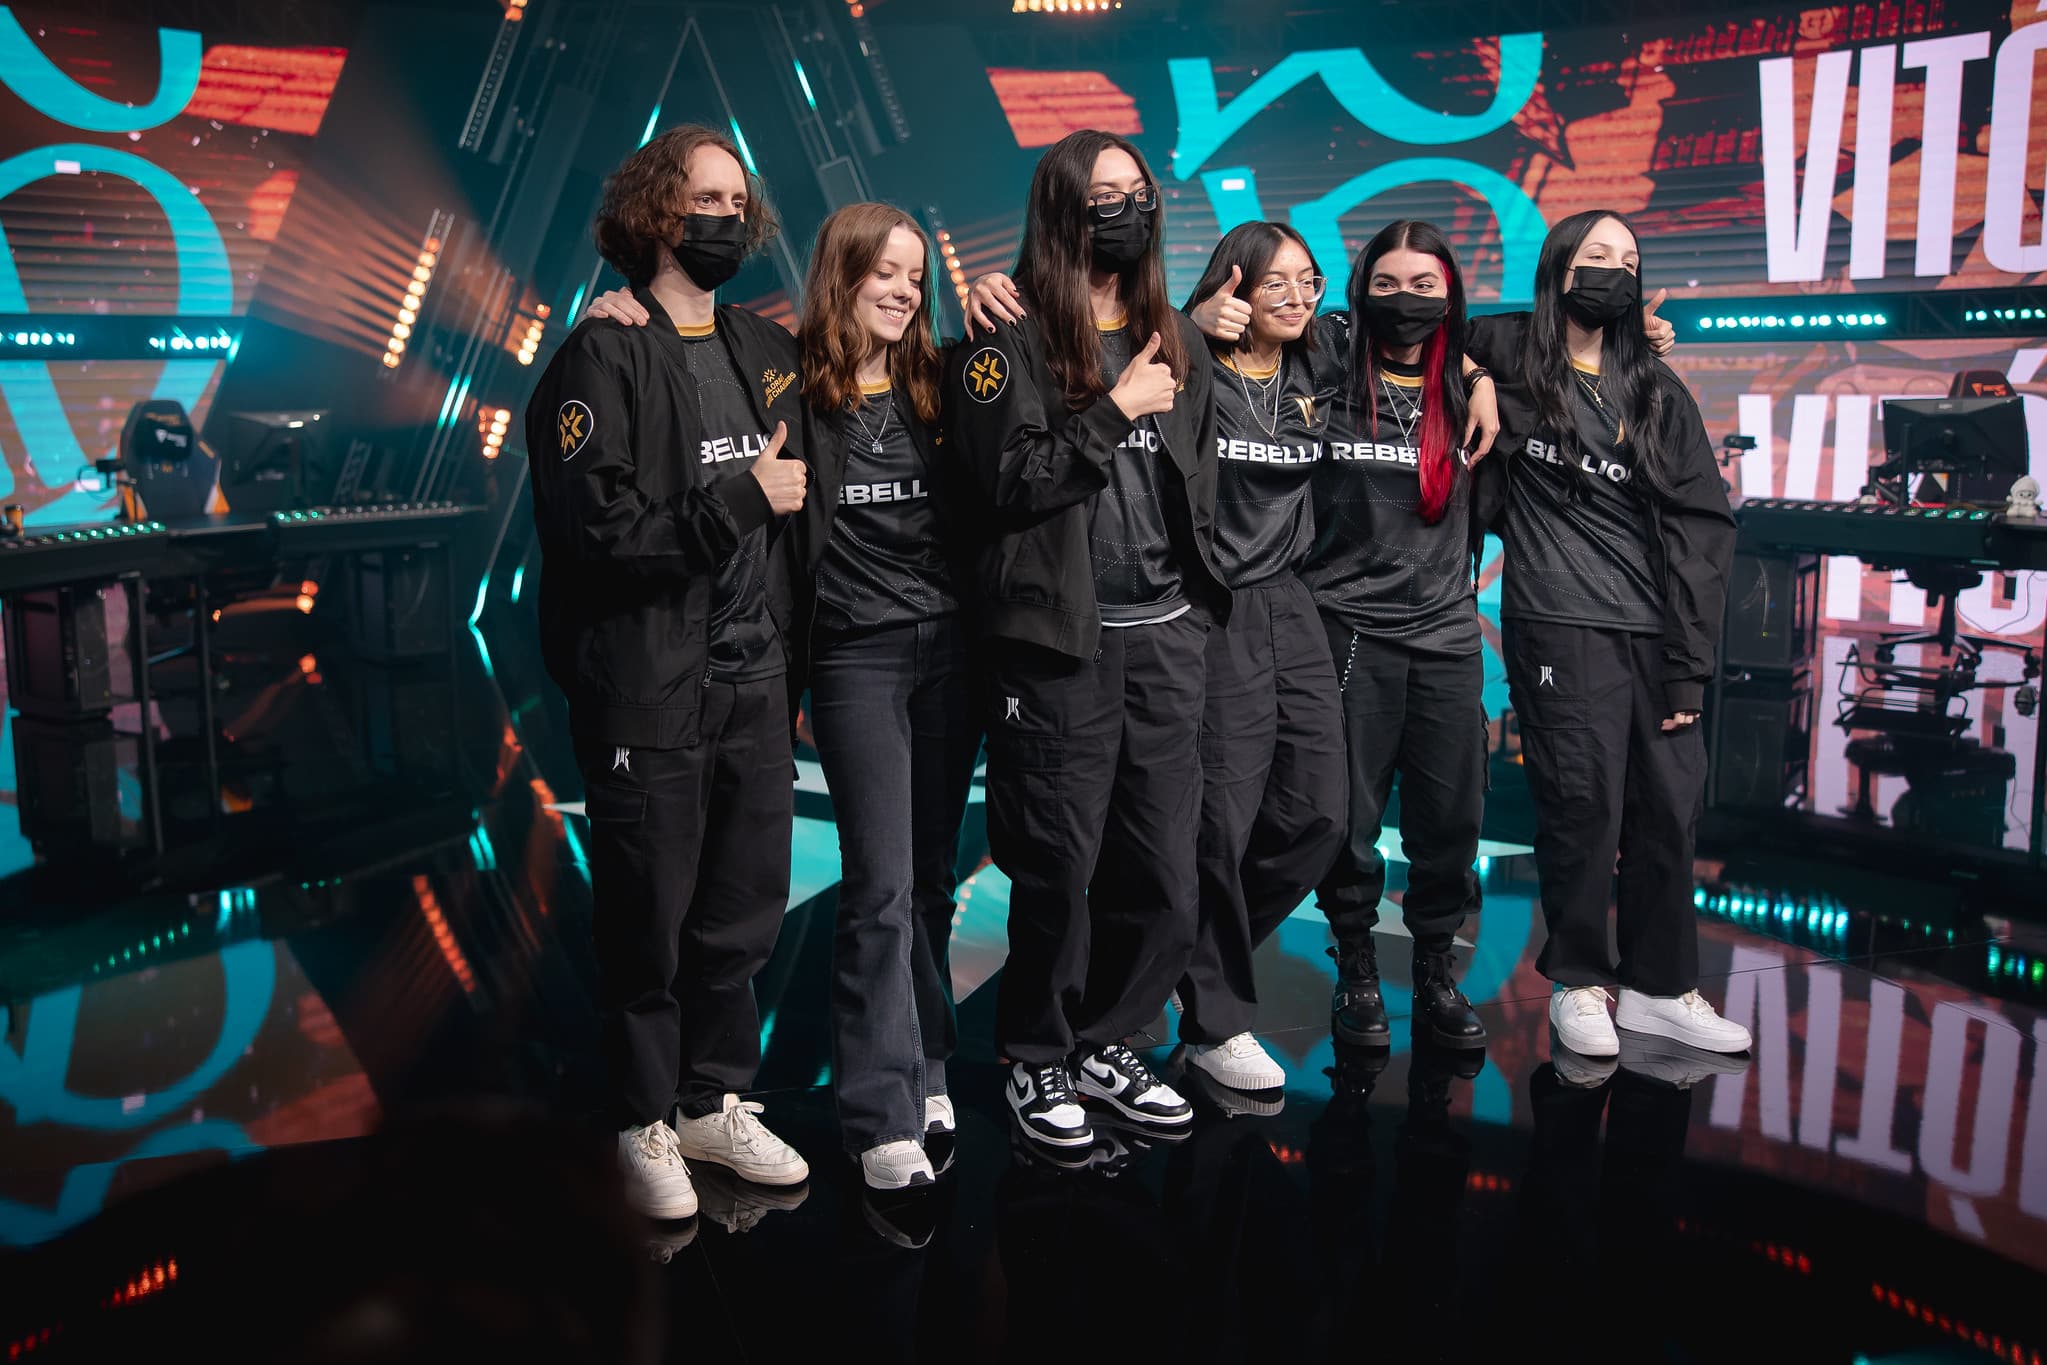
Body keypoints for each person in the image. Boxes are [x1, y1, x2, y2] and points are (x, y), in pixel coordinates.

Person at [587, 202, 979, 1191]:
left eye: (916, 276)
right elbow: (686, 344)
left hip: (950, 659)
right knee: (880, 887)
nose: (903, 291)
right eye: (883, 272)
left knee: (928, 885)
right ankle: (880, 1117)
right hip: (855, 660)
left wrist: (1006, 303)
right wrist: (611, 317)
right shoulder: (788, 379)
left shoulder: (944, 380)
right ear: (841, 276)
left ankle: (929, 1065)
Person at [966, 221, 1351, 1093]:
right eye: (1275, 281)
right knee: (1202, 830)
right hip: (1202, 602)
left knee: (1316, 816)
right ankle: (1203, 1012)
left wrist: (1477, 372)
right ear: (1228, 285)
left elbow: (1440, 332)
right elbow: (1118, 363)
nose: (1296, 295)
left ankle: (1171, 964)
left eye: (1309, 279)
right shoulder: (1183, 347)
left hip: (1281, 598)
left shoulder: (1322, 357)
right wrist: (1186, 320)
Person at [524, 123, 812, 1220]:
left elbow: (876, 368)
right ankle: (640, 1118)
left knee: (741, 911)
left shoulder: (762, 345)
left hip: (754, 679)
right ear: (654, 213)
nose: (726, 219)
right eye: (705, 200)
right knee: (647, 918)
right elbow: (595, 535)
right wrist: (741, 499)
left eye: (738, 202)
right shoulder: (600, 353)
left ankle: (710, 1101)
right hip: (649, 686)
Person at [945, 128, 1229, 1148]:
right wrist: (1113, 408)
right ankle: (1037, 1054)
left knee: (1163, 873)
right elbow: (1008, 484)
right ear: (1063, 208)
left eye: (1137, 192)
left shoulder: (1174, 333)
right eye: (1104, 194)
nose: (1127, 209)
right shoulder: (1006, 332)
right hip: (1059, 645)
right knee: (1056, 870)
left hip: (1164, 637)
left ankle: (1108, 1042)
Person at [1467, 209, 1750, 1058]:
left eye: (1627, 261)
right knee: (1582, 808)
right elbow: (1442, 334)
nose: (1615, 273)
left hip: (1655, 633)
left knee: (1668, 810)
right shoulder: (1516, 362)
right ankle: (1580, 982)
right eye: (1596, 256)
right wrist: (1480, 377)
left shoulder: (1655, 390)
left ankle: (1660, 987)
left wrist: (1688, 663)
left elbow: (1702, 530)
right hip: (1558, 624)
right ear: (1558, 270)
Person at [1298, 220, 1497, 1052]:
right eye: (1386, 283)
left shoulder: (1466, 380)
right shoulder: (1326, 363)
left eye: (1423, 285)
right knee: (1346, 821)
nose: (1404, 299)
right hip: (1347, 626)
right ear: (1360, 291)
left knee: (1449, 820)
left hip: (1445, 632)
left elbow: (1536, 337)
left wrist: (1478, 373)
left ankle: (1435, 970)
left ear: (1449, 295)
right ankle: (1354, 966)